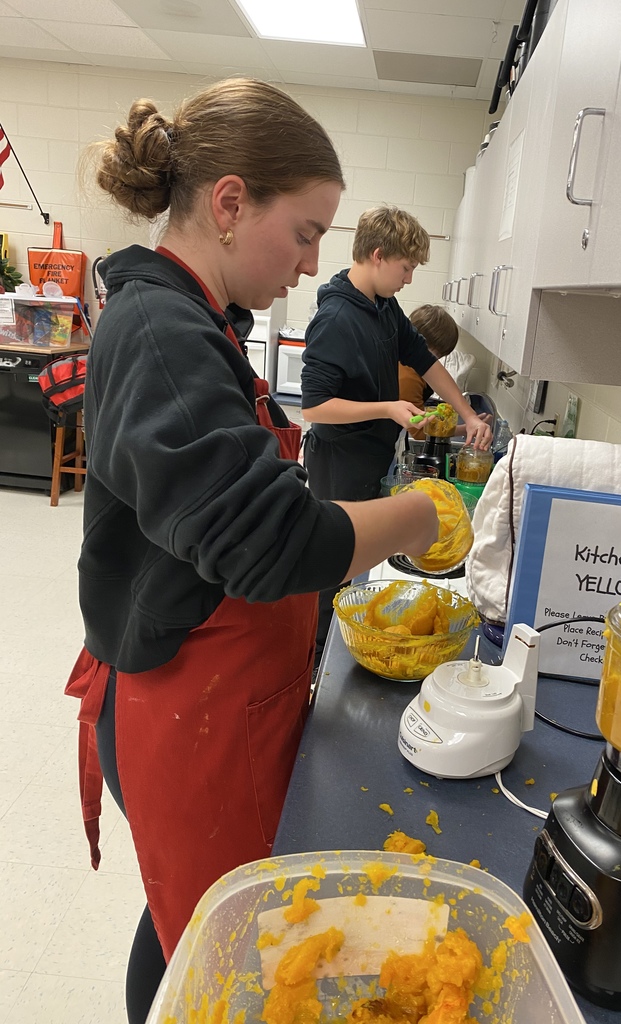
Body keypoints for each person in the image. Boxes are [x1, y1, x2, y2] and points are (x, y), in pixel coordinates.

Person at [65, 79, 438, 1024]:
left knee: (194, 923)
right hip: (186, 704)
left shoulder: (199, 322)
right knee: (211, 946)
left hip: (224, 692)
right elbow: (273, 542)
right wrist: (418, 516)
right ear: (230, 203)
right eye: (306, 232)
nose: (311, 265)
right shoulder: (160, 331)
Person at [300, 206, 492, 661]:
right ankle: (318, 660)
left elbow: (424, 360)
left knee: (356, 563)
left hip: (370, 457)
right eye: (406, 268)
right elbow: (314, 407)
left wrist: (468, 414)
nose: (408, 279)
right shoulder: (336, 318)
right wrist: (387, 408)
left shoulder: (383, 307)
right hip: (339, 463)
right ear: (378, 255)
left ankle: (339, 650)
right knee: (333, 566)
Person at [398, 303, 459, 426]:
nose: (436, 361)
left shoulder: (406, 365)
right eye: (437, 354)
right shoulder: (409, 376)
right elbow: (418, 428)